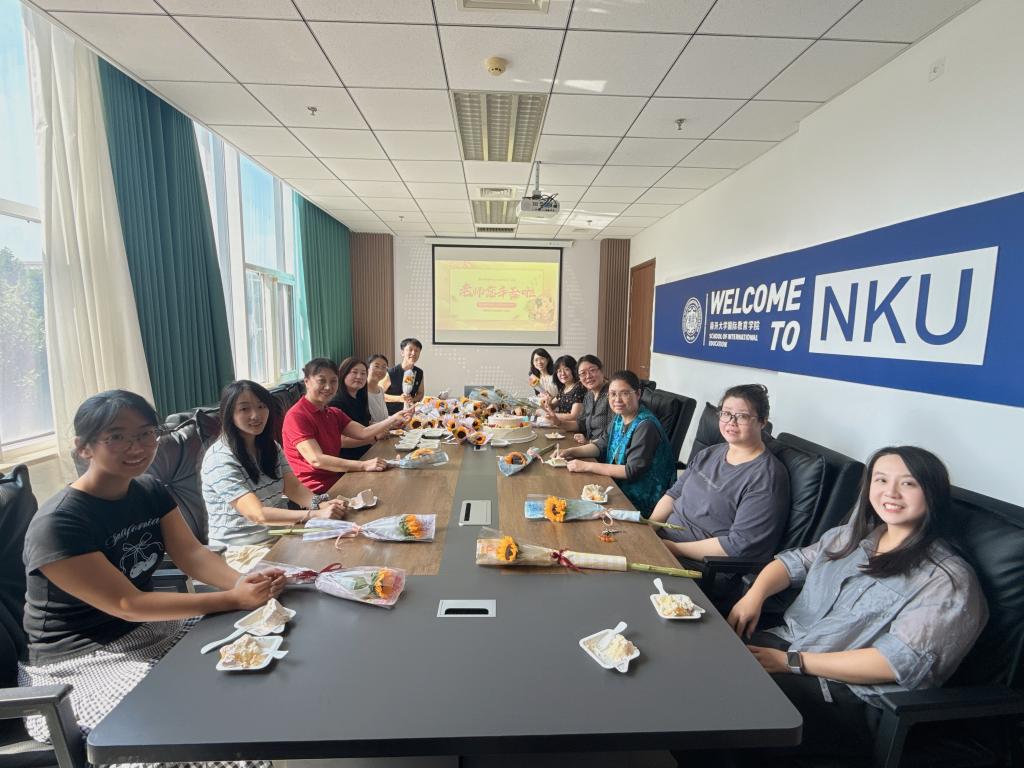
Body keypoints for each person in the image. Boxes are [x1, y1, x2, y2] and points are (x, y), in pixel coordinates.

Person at [18, 390, 285, 754]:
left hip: (149, 631)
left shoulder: (148, 489)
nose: (137, 447)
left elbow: (192, 554)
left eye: (146, 434)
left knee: (260, 654)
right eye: (117, 436)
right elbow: (126, 604)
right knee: (179, 727)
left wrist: (241, 582)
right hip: (77, 664)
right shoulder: (59, 523)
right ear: (84, 448)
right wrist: (233, 599)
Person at [727, 446, 988, 760]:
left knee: (733, 702)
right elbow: (793, 563)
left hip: (844, 694)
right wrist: (753, 596)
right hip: (787, 645)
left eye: (908, 483)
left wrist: (792, 662)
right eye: (881, 480)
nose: (891, 492)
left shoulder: (947, 579)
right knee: (703, 658)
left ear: (932, 493)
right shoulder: (851, 537)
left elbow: (895, 661)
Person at [650, 384, 789, 563]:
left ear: (763, 421)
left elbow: (738, 545)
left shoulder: (767, 477)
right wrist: (650, 528)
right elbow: (674, 495)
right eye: (726, 413)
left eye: (742, 416)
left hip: (694, 561)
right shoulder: (709, 453)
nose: (731, 422)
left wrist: (674, 548)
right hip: (662, 540)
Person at [201, 380, 347, 547]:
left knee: (344, 541)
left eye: (261, 406)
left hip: (281, 536)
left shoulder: (270, 446)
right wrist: (314, 515)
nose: (255, 415)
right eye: (244, 409)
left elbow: (294, 488)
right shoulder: (219, 459)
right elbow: (257, 514)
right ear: (229, 414)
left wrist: (320, 504)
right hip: (241, 549)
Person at [283, 357, 410, 495]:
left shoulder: (333, 413)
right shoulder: (297, 416)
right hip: (313, 492)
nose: (328, 387)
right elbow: (316, 459)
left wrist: (394, 418)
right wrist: (363, 465)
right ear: (306, 382)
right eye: (321, 381)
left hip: (338, 478)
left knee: (398, 484)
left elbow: (363, 432)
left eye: (333, 381)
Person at [555, 370, 675, 517]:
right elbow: (601, 445)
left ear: (638, 394)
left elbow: (631, 471)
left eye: (624, 393)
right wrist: (571, 452)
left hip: (642, 498)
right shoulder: (620, 417)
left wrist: (586, 466)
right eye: (612, 394)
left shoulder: (646, 426)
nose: (617, 399)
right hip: (616, 486)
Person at [545, 355, 610, 444]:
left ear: (602, 371)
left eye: (592, 370)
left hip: (602, 448)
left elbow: (614, 433)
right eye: (583, 373)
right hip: (588, 444)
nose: (588, 376)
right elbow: (581, 424)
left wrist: (588, 442)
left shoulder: (612, 395)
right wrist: (558, 422)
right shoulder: (589, 395)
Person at [329, 356, 379, 460]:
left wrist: (388, 425)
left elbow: (366, 424)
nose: (359, 377)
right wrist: (372, 437)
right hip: (349, 460)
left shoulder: (360, 397)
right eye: (354, 372)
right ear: (343, 374)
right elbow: (341, 441)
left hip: (367, 453)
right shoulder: (335, 403)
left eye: (363, 373)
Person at [383, 337, 424, 414]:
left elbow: (421, 393)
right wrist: (399, 398)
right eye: (410, 349)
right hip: (390, 415)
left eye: (417, 350)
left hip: (410, 414)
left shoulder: (419, 372)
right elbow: (378, 395)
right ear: (402, 352)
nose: (413, 353)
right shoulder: (391, 373)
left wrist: (413, 399)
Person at [545, 354, 585, 419]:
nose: (563, 373)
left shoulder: (579, 387)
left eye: (566, 369)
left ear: (574, 370)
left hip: (571, 425)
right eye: (559, 371)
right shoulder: (564, 388)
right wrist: (548, 401)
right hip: (561, 423)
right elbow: (552, 406)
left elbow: (574, 416)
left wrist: (551, 415)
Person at [365, 353, 390, 424]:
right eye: (376, 366)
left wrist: (392, 423)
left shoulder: (380, 390)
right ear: (368, 368)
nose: (380, 370)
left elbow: (382, 416)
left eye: (384, 367)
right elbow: (363, 421)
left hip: (385, 429)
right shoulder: (361, 390)